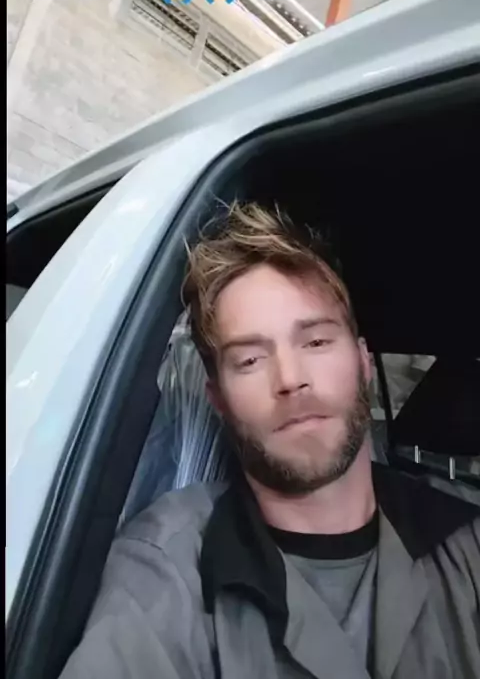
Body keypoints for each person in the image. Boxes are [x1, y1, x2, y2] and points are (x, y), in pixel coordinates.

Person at [59, 202, 480, 679]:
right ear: (219, 398)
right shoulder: (167, 569)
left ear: (363, 361)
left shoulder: (465, 536)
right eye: (250, 360)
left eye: (316, 342)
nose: (291, 379)